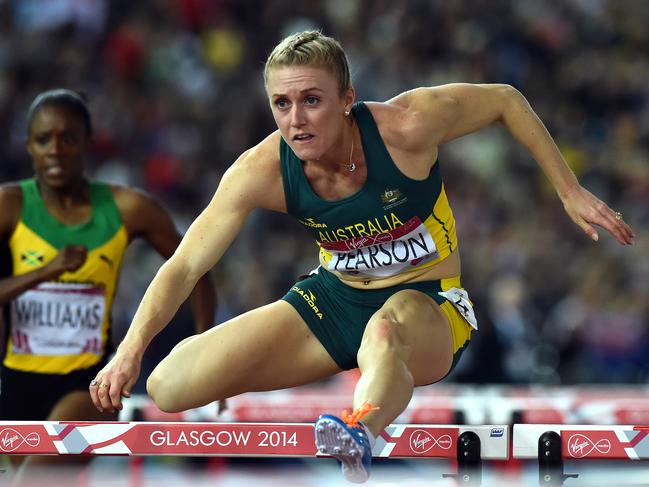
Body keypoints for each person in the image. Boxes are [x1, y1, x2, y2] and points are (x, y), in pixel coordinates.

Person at [89, 31, 634, 483]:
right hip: (333, 300)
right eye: (282, 104)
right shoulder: (261, 170)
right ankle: (329, 395)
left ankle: (358, 434)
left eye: (312, 100)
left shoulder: (407, 126)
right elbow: (185, 264)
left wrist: (569, 190)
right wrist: (130, 350)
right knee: (169, 385)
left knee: (384, 332)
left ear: (347, 98)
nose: (296, 120)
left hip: (427, 306)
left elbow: (505, 100)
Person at [0, 89, 216, 479]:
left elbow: (194, 268)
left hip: (90, 385)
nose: (55, 150)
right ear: (29, 145)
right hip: (17, 386)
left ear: (88, 142)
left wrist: (203, 353)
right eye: (44, 139)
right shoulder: (10, 206)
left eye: (68, 138)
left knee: (33, 481)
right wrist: (45, 273)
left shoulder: (126, 208)